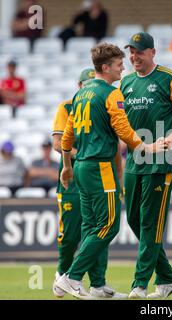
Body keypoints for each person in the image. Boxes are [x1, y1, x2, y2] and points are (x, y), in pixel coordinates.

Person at [55, 43, 166, 300]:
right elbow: (124, 131)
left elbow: (67, 137)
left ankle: (96, 285)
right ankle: (70, 277)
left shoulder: (80, 95)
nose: (123, 67)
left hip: (81, 166)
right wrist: (147, 147)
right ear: (105, 68)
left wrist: (67, 167)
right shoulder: (112, 94)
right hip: (100, 166)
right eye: (118, 64)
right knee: (109, 226)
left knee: (90, 225)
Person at [119, 32, 172, 299]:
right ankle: (168, 277)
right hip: (134, 159)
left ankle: (139, 284)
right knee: (133, 219)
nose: (134, 56)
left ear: (152, 52)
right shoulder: (125, 82)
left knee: (151, 223)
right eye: (131, 52)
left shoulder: (170, 78)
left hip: (161, 161)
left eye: (139, 51)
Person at [51, 68, 95, 298]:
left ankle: (81, 280)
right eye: (85, 85)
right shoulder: (66, 107)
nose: (88, 88)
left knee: (92, 232)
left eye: (92, 84)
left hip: (94, 178)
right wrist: (86, 154)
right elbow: (58, 144)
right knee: (69, 235)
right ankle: (61, 273)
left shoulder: (100, 104)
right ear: (79, 85)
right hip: (70, 180)